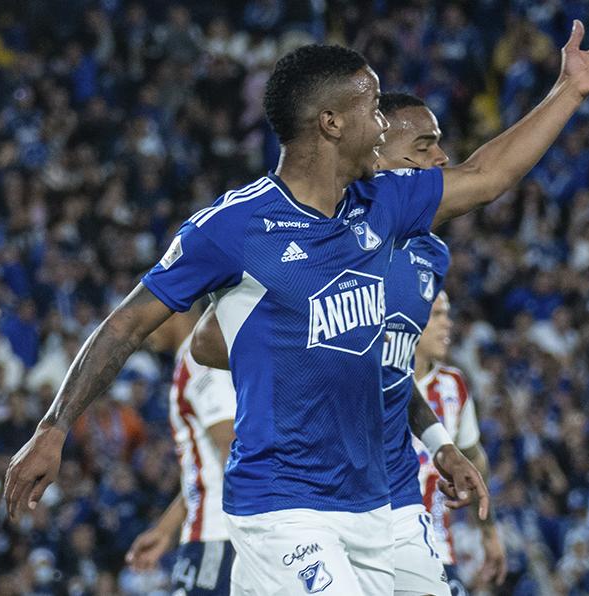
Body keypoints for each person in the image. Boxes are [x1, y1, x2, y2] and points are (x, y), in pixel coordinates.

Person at [7, 15, 589, 595]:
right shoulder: (233, 227)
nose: (384, 125)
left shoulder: (384, 205)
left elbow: (487, 175)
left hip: (375, 505)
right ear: (331, 123)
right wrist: (54, 425)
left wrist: (570, 92)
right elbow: (126, 325)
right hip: (282, 506)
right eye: (372, 106)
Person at [187, 92, 502, 595]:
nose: (440, 161)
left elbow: (385, 370)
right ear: (379, 154)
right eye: (424, 148)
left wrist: (441, 444)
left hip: (389, 488)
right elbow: (206, 343)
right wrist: (302, 360)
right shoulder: (331, 236)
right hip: (303, 490)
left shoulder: (430, 257)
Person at [124, 304, 238, 595]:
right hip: (213, 532)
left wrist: (253, 528)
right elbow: (207, 470)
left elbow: (231, 446)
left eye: (148, 311)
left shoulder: (199, 360)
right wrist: (165, 529)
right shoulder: (195, 358)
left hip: (218, 534)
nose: (144, 326)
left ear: (176, 307)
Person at [412, 292, 504, 595]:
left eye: (447, 315)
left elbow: (473, 459)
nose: (447, 324)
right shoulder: (373, 380)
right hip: (378, 542)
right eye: (437, 315)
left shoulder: (454, 385)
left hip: (438, 550)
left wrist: (488, 531)